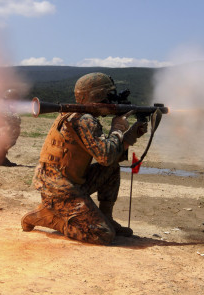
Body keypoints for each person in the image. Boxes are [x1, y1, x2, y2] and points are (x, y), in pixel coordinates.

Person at [21, 72, 147, 245]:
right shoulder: (84, 119)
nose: (110, 101)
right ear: (97, 96)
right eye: (108, 96)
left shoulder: (75, 114)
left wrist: (130, 136)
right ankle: (47, 217)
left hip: (67, 182)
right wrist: (117, 128)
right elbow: (105, 156)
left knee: (111, 169)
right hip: (58, 189)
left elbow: (109, 159)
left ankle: (106, 217)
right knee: (102, 234)